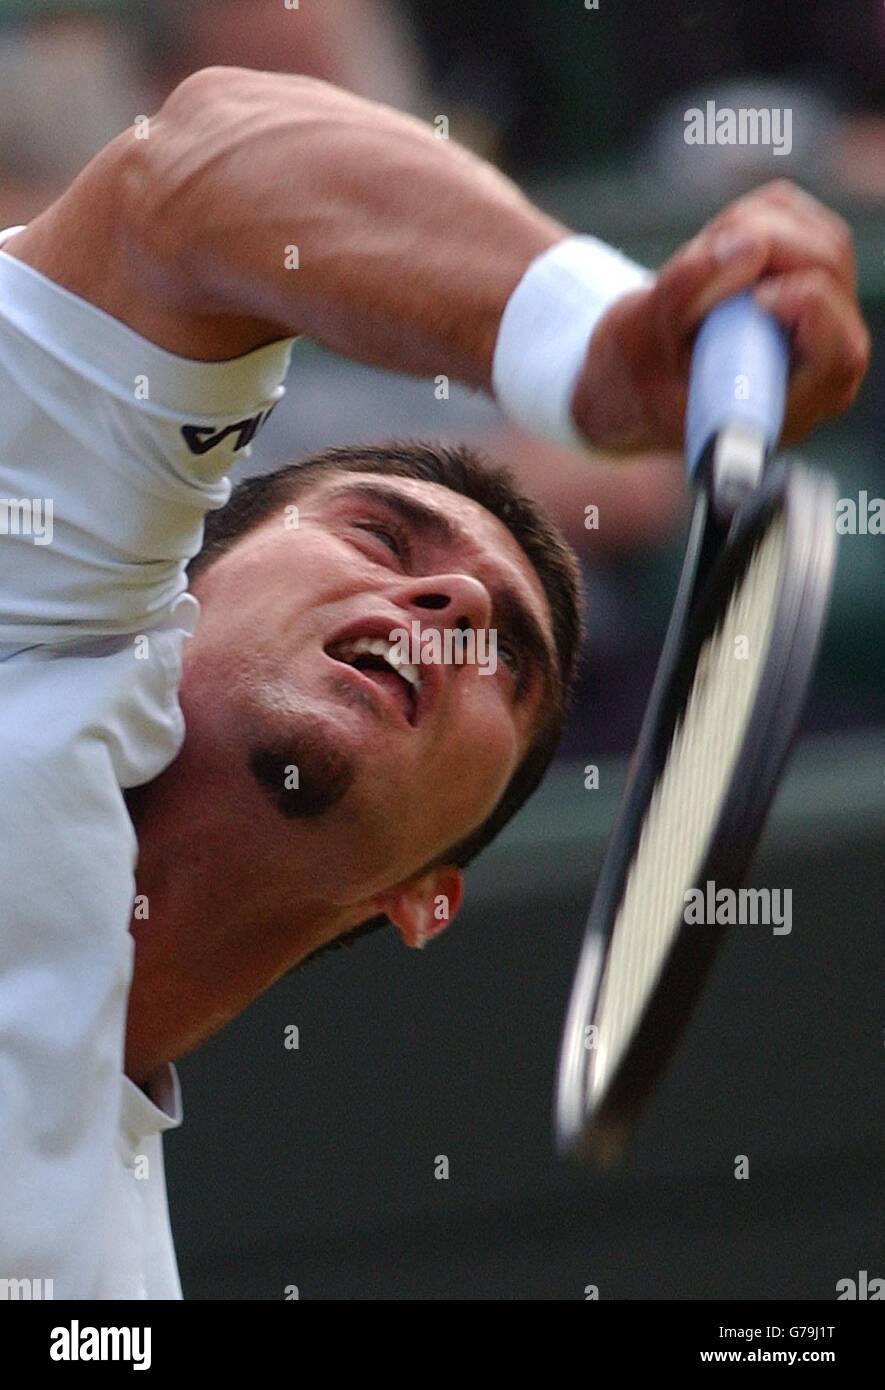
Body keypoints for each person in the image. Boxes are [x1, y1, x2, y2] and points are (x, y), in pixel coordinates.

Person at [0, 67, 868, 1299]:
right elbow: (195, 171)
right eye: (377, 537)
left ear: (424, 898)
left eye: (505, 654)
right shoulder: (26, 606)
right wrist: (602, 344)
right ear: (181, 577)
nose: (451, 608)